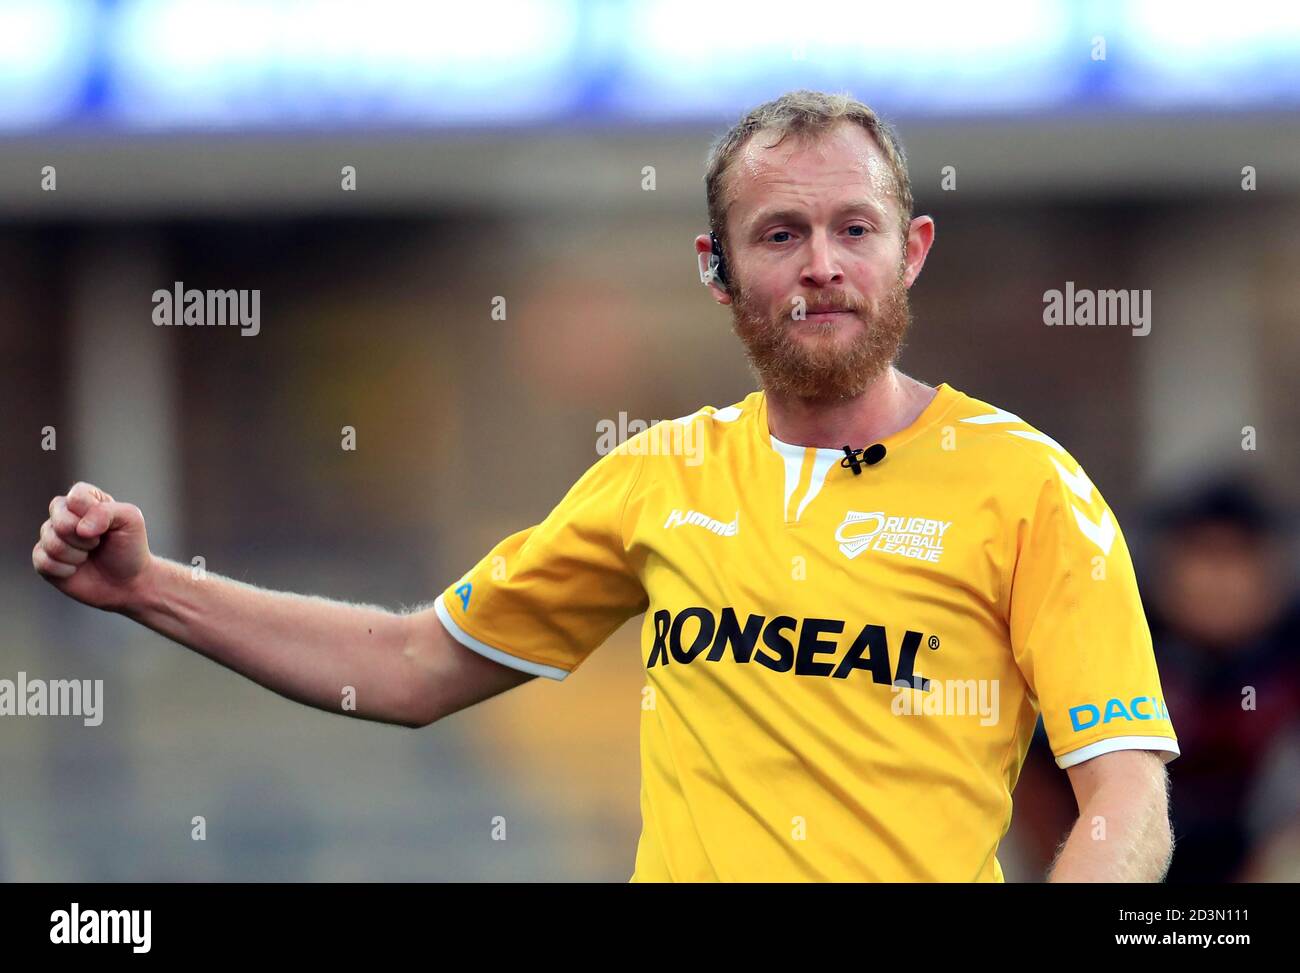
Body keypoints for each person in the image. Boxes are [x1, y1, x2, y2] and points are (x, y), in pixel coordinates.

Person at [32, 89, 1178, 882]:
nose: (822, 264)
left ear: (910, 250)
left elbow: (1126, 803)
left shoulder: (1030, 488)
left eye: (853, 228)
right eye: (779, 233)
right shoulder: (656, 477)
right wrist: (148, 591)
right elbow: (411, 663)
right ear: (715, 269)